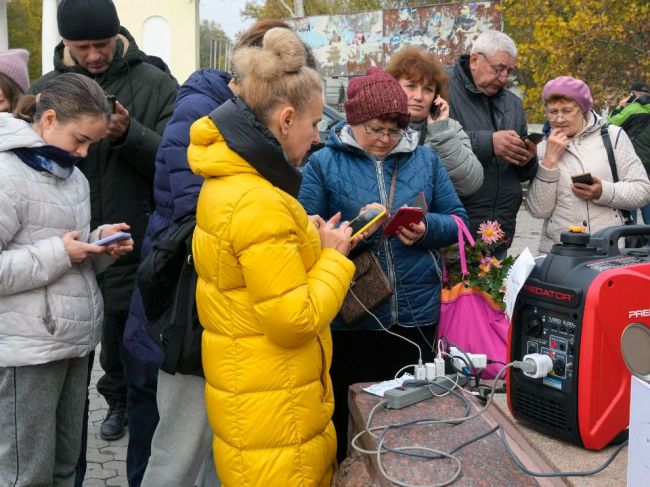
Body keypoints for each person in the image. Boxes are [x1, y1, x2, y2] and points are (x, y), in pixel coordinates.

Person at [131, 18, 314, 487]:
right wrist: (308, 247)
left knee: (220, 452)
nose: (317, 137)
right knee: (180, 451)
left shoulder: (235, 141)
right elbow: (218, 226)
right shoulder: (213, 128)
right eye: (313, 123)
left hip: (218, 316)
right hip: (195, 319)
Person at [188, 27, 356, 485]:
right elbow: (293, 320)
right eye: (315, 123)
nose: (319, 136)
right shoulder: (260, 201)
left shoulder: (232, 181)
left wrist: (303, 236)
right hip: (277, 419)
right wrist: (334, 258)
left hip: (257, 401)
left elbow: (254, 270)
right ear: (285, 120)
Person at [30, 0, 178, 484]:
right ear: (65, 45)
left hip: (134, 259)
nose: (94, 55)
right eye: (82, 46)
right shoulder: (42, 94)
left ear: (119, 35)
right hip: (60, 268)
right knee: (63, 402)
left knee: (141, 386)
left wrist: (128, 134)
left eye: (103, 44)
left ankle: (137, 467)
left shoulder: (155, 85)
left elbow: (179, 166)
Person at [299, 67, 468, 461]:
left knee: (410, 416)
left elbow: (459, 220)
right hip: (352, 315)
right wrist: (342, 236)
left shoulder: (425, 160)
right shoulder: (323, 163)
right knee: (349, 415)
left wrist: (426, 229)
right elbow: (305, 230)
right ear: (353, 120)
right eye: (374, 129)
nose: (384, 140)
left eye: (393, 131)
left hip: (415, 314)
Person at [0, 73, 133, 486]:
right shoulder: (7, 175)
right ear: (50, 118)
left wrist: (98, 245)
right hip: (28, 353)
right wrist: (63, 252)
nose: (84, 152)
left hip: (74, 344)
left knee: (65, 467)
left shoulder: (72, 176)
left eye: (92, 143)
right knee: (27, 473)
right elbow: (53, 252)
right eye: (79, 140)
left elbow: (65, 252)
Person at [525, 76, 650, 253]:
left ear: (582, 109)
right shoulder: (544, 147)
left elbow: (643, 190)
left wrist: (603, 191)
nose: (559, 119)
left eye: (567, 111)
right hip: (559, 252)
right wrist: (549, 161)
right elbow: (538, 211)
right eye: (553, 112)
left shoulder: (612, 137)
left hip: (608, 248)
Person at [447, 30, 537, 258]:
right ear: (475, 60)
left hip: (500, 230)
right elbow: (432, 143)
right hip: (456, 230)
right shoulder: (443, 90)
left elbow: (522, 174)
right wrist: (489, 143)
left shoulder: (513, 104)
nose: (504, 78)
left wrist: (527, 159)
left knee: (493, 294)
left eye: (509, 71)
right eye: (499, 69)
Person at [386, 46, 483, 196]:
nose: (419, 96)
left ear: (436, 97)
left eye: (428, 89)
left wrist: (442, 134)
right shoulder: (377, 126)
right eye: (411, 86)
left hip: (429, 217)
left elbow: (470, 184)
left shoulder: (449, 129)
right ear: (393, 87)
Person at [608, 82, 650, 224]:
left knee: (630, 193)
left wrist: (620, 107)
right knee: (648, 195)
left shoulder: (633, 109)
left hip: (634, 159)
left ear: (633, 94)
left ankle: (630, 233)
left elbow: (610, 124)